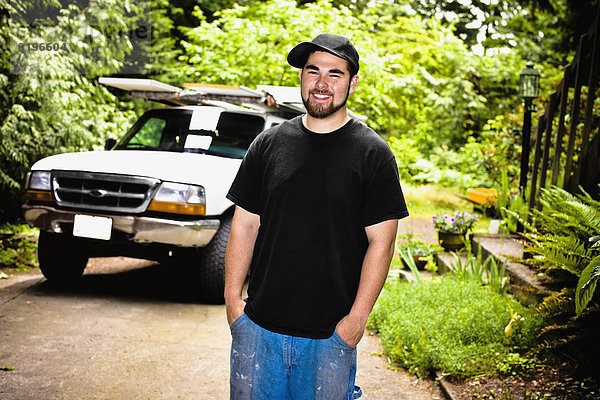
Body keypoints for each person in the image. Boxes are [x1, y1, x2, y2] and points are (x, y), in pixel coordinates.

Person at [224, 33, 409, 399]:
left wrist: (355, 322)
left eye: (335, 74)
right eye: (313, 72)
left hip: (329, 338)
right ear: (301, 77)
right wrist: (233, 302)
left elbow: (382, 242)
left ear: (352, 81)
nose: (322, 84)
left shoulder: (373, 154)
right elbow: (245, 224)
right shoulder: (268, 144)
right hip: (258, 330)